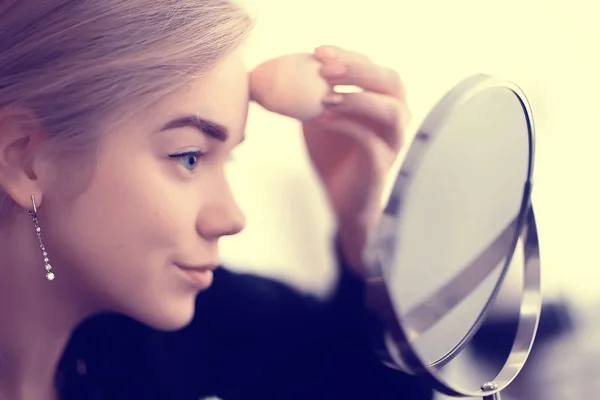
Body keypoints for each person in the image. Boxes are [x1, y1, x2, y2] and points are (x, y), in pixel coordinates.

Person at [0, 1, 433, 399]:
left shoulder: (169, 335)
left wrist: (362, 229)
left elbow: (363, 383)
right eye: (189, 157)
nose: (232, 217)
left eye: (229, 158)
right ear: (27, 160)